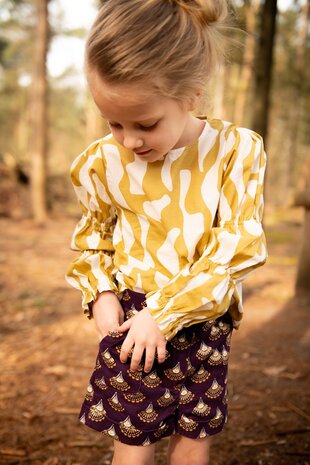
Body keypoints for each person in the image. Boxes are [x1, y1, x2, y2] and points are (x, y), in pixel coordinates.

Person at [65, 1, 268, 464]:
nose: (129, 141)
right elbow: (94, 237)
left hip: (203, 313)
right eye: (113, 122)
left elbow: (239, 243)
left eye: (145, 124)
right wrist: (101, 293)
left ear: (192, 95)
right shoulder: (102, 163)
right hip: (134, 317)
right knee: (133, 438)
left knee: (193, 437)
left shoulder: (234, 152)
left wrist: (170, 312)